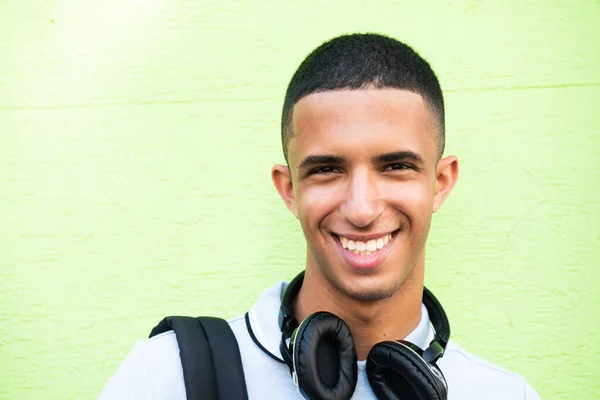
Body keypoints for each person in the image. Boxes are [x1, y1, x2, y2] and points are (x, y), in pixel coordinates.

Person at [99, 33, 541, 399]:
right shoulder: (166, 376)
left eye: (395, 166)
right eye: (327, 169)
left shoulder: (503, 393)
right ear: (289, 189)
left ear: (440, 182)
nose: (362, 209)